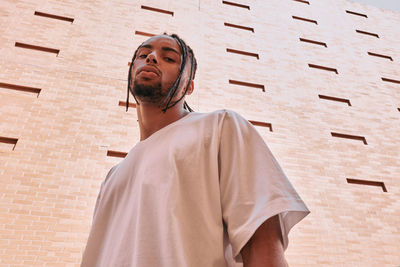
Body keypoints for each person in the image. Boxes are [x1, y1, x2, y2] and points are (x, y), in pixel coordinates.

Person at [81, 33, 310, 267]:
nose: (151, 58)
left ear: (188, 87)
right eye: (143, 54)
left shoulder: (221, 127)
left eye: (169, 58)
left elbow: (261, 242)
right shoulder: (113, 176)